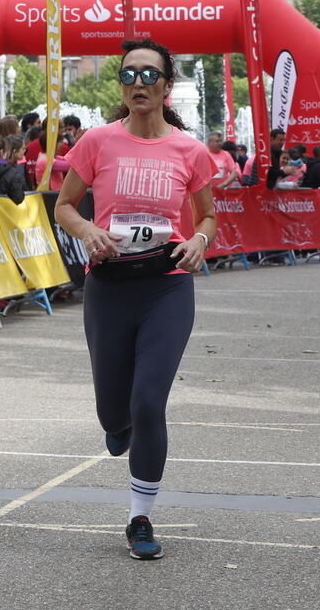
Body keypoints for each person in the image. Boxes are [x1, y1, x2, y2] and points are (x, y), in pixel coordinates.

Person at [54, 38, 216, 561]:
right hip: (109, 287)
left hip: (167, 285)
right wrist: (86, 231)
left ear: (167, 87)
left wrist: (199, 240)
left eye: (150, 75)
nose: (138, 84)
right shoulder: (98, 142)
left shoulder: (189, 150)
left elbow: (208, 216)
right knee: (112, 411)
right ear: (120, 86)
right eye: (128, 75)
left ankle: (139, 518)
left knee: (150, 402)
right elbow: (64, 207)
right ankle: (116, 425)